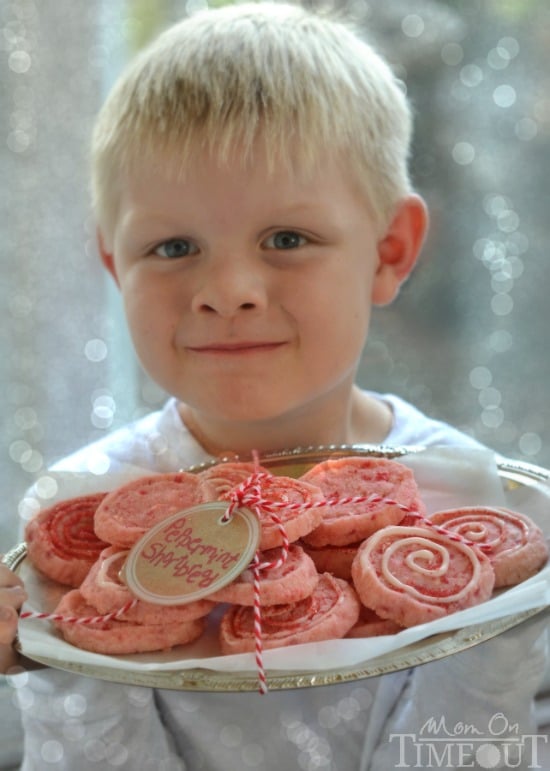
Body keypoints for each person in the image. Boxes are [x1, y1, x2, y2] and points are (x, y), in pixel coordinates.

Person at [1, 3, 547, 769]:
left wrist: (500, 633)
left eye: (287, 238)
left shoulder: (467, 501)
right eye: (173, 245)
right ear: (115, 264)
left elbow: (479, 752)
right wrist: (61, 663)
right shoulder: (83, 509)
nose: (228, 289)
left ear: (390, 251)